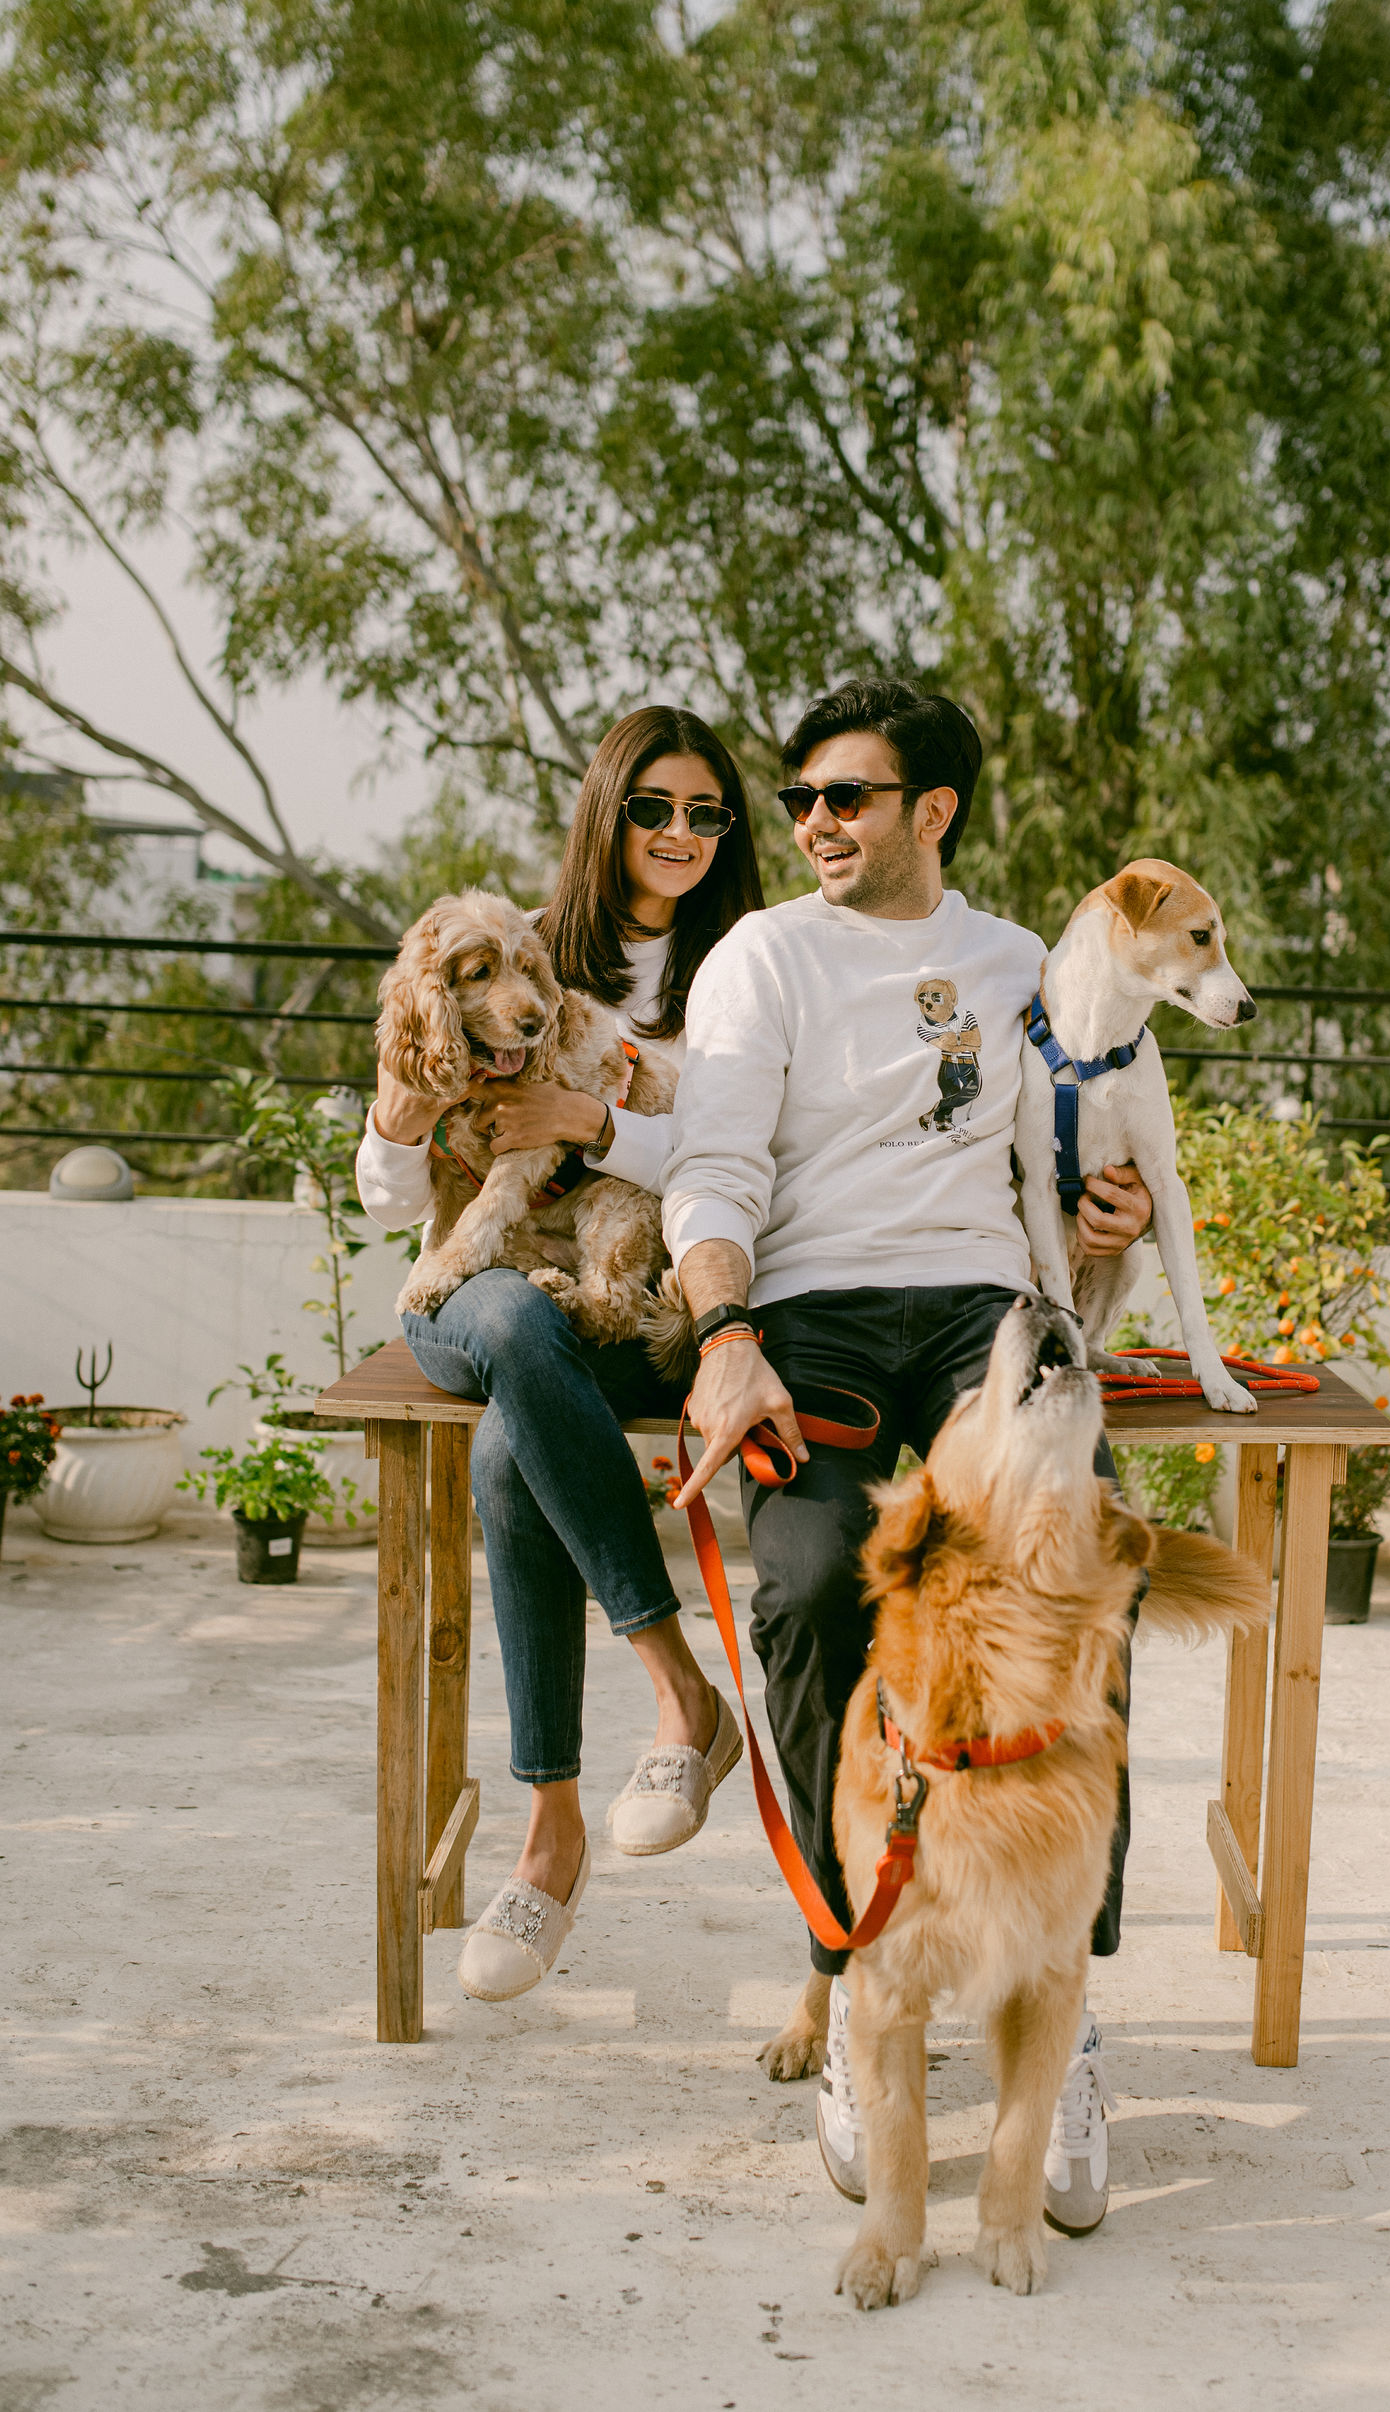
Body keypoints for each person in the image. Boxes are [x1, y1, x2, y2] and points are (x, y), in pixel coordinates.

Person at [661, 678, 1153, 2236]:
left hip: (981, 1316)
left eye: (846, 796)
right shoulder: (765, 956)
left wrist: (1106, 1239)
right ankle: (848, 1956)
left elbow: (1068, 1200)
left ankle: (1063, 2014)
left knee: (1081, 1590)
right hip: (808, 1313)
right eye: (801, 796)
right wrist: (727, 1337)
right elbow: (715, 1166)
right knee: (809, 1593)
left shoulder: (1022, 967)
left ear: (931, 811)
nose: (810, 821)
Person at [355, 706, 765, 2002]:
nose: (681, 834)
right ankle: (680, 1691)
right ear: (607, 813)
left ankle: (550, 1838)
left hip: (631, 1294)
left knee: (509, 1434)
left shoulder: (751, 973)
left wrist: (589, 1117)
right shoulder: (514, 946)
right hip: (467, 1288)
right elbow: (380, 1194)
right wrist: (397, 1115)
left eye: (708, 813)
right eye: (655, 807)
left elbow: (737, 1164)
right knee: (517, 1332)